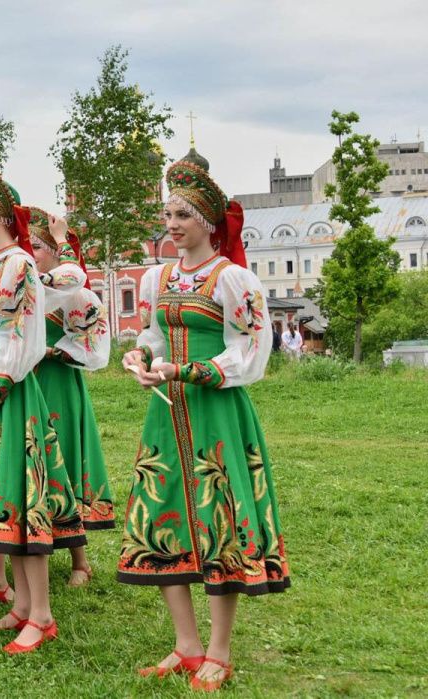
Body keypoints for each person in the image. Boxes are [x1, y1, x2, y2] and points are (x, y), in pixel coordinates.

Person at [121, 160, 290, 691]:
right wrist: (139, 360)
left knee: (218, 519)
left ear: (209, 223)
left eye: (184, 215)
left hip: (215, 409)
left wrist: (189, 371)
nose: (172, 224)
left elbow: (250, 351)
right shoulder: (158, 277)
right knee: (164, 513)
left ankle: (219, 650)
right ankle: (185, 645)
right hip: (165, 413)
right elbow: (150, 336)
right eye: (169, 213)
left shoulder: (233, 279)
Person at [0, 161, 86, 654]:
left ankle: (43, 615)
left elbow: (19, 341)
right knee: (3, 503)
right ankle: (22, 606)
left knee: (26, 505)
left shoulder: (19, 265)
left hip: (11, 397)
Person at [25, 206, 114, 587]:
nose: (30, 255)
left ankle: (80, 561)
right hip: (24, 381)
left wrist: (50, 351)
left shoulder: (69, 293)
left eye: (37, 248)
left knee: (64, 454)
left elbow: (91, 341)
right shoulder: (27, 287)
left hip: (57, 381)